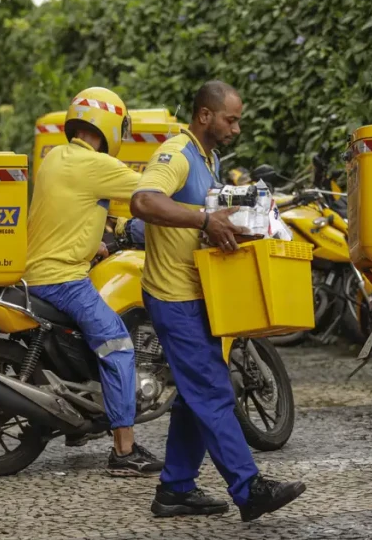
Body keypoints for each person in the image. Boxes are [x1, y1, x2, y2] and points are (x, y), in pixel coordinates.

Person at [130, 80, 306, 522]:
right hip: (173, 296)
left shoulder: (210, 159)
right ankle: (249, 490)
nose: (237, 127)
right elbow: (143, 201)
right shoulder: (177, 154)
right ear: (205, 115)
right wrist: (205, 219)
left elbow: (204, 220)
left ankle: (175, 489)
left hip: (198, 293)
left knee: (195, 395)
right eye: (232, 118)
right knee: (211, 389)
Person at [22, 86, 163, 477]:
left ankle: (79, 423)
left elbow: (72, 211)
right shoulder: (95, 165)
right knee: (118, 346)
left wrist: (96, 244)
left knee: (91, 339)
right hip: (62, 279)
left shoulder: (55, 158)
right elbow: (152, 194)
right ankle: (124, 451)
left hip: (38, 272)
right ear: (110, 124)